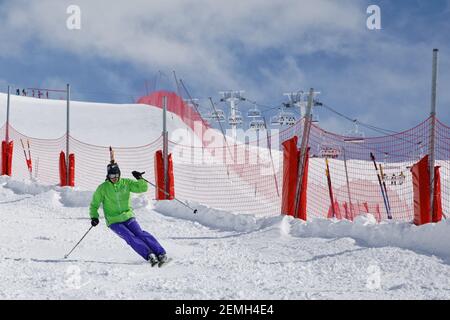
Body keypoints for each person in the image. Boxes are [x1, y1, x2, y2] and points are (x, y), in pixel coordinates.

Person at [89, 163, 168, 266]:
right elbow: (94, 204)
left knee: (140, 233)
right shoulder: (102, 188)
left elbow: (142, 188)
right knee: (130, 237)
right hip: (114, 221)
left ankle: (160, 253)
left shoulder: (126, 183)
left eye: (117, 175)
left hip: (128, 216)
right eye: (112, 176)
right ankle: (149, 255)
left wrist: (140, 179)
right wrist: (94, 216)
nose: (115, 178)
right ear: (108, 176)